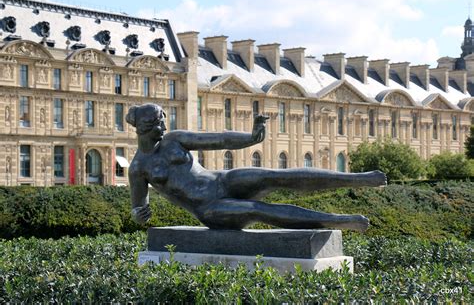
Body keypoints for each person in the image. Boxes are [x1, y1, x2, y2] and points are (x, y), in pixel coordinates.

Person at [127, 103, 386, 232]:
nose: (162, 128)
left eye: (163, 121)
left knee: (272, 176)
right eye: (156, 124)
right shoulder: (139, 168)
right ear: (141, 127)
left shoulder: (174, 139)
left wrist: (251, 138)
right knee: (257, 209)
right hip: (209, 208)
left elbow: (220, 139)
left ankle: (357, 178)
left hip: (222, 181)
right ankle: (338, 222)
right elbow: (138, 207)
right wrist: (140, 215)